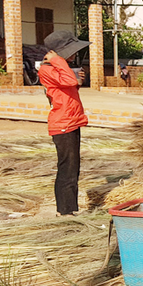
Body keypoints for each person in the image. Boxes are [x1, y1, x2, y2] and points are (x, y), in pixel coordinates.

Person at [39, 31, 89, 216]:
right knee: (67, 168)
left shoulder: (61, 67)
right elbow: (67, 80)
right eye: (71, 51)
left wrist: (78, 82)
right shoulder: (48, 68)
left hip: (72, 121)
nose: (74, 54)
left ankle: (70, 208)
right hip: (63, 124)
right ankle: (64, 211)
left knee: (73, 168)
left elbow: (68, 85)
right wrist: (58, 60)